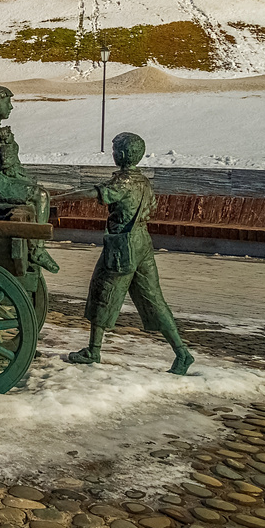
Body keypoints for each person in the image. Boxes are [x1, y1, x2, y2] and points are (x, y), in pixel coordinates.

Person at [68, 132, 194, 375]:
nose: (113, 154)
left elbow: (94, 193)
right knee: (154, 300)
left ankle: (94, 349)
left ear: (123, 155)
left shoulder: (123, 181)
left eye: (115, 151)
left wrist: (57, 197)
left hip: (122, 246)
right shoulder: (145, 182)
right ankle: (182, 352)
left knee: (103, 290)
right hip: (142, 242)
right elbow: (152, 208)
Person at [0, 85, 59, 273]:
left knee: (35, 189)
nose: (11, 107)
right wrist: (8, 142)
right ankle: (37, 250)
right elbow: (3, 162)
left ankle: (32, 244)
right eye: (7, 102)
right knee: (40, 196)